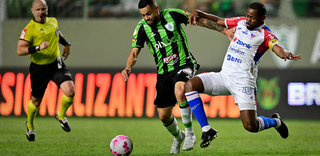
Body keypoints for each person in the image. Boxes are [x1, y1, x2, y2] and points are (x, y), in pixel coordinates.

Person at [121, 0, 233, 154]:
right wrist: (128, 67)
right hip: (163, 73)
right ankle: (178, 136)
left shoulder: (173, 15)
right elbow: (134, 53)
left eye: (149, 13)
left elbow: (199, 21)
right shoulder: (141, 28)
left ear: (156, 9)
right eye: (143, 15)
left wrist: (223, 30)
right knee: (163, 116)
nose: (146, 18)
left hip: (184, 64)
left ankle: (189, 134)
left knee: (180, 90)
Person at [184, 2, 301, 148]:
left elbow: (276, 47)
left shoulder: (265, 34)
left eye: (252, 17)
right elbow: (219, 20)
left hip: (243, 83)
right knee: (190, 86)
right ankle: (207, 130)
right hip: (224, 76)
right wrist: (199, 12)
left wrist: (285, 53)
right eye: (247, 16)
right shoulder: (240, 22)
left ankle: (276, 122)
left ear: (262, 18)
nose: (248, 20)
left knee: (251, 126)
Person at [17, 0, 75, 142]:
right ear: (32, 11)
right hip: (39, 68)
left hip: (55, 63)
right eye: (38, 10)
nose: (40, 12)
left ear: (47, 9)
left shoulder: (53, 21)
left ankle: (60, 116)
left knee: (70, 91)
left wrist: (66, 44)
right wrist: (37, 48)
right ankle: (30, 126)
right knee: (36, 102)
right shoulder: (28, 29)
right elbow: (20, 50)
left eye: (43, 9)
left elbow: (56, 33)